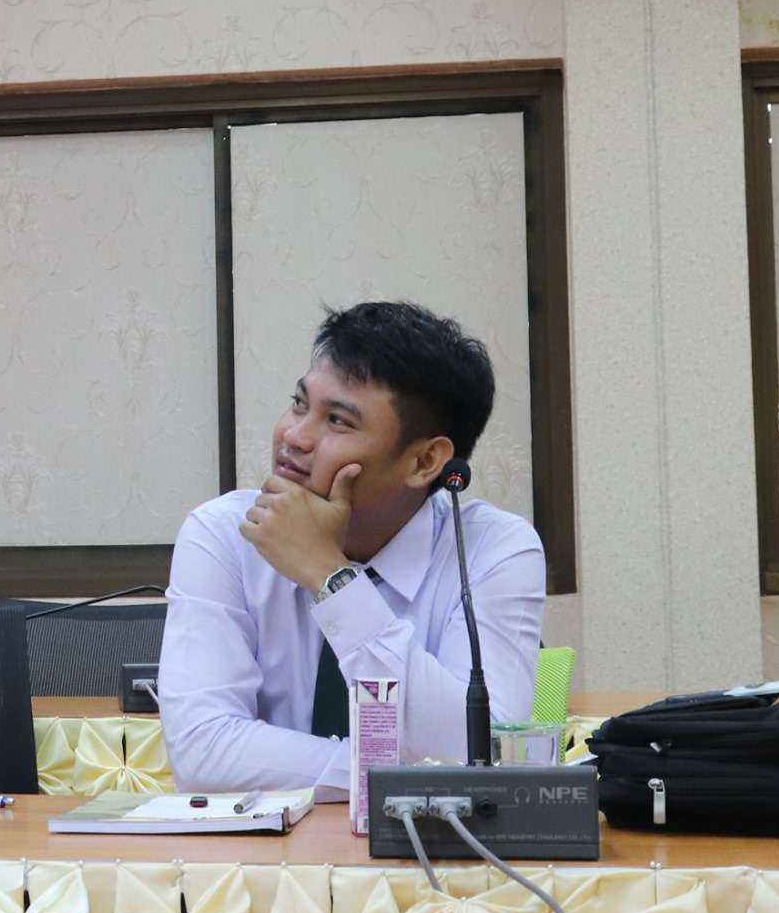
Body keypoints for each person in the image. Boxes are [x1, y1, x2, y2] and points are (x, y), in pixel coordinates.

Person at [158, 301, 544, 794]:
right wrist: (396, 777)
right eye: (300, 404)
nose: (294, 436)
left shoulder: (493, 551)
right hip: (264, 845)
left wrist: (329, 576)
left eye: (338, 421)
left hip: (438, 843)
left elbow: (482, 752)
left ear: (425, 461)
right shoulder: (224, 534)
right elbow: (203, 753)